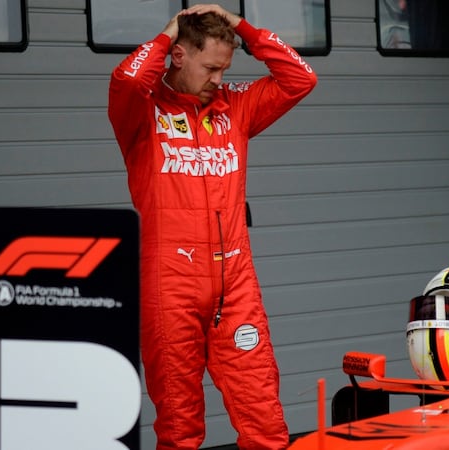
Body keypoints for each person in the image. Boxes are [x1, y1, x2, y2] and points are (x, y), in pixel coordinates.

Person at [107, 4, 317, 449]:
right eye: (210, 68)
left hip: (234, 284)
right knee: (180, 428)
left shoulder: (235, 106)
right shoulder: (141, 111)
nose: (219, 79)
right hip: (169, 286)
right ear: (179, 57)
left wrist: (240, 24)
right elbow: (127, 78)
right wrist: (166, 36)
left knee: (265, 420)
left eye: (225, 68)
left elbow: (301, 77)